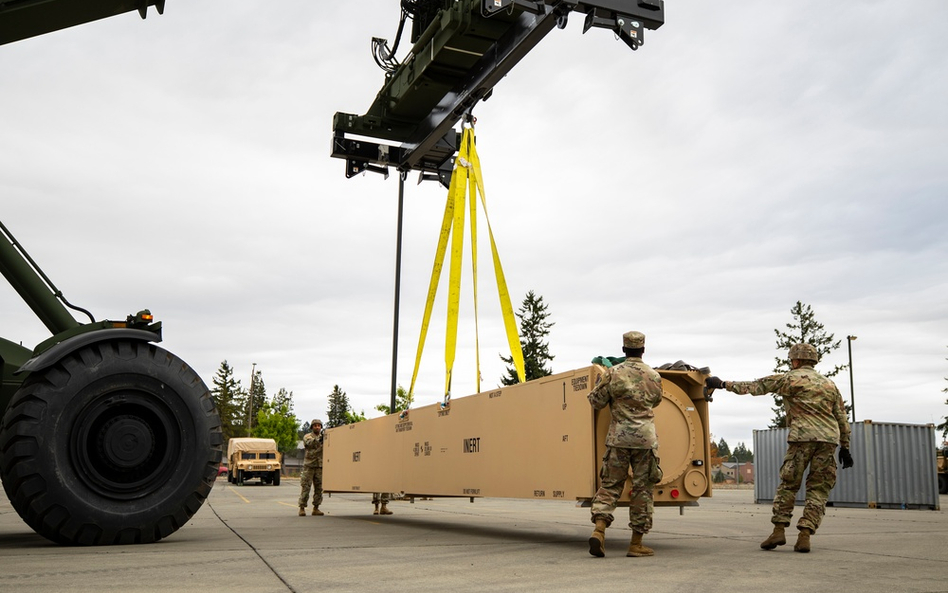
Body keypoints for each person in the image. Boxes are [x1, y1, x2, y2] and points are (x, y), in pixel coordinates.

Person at [705, 343, 853, 553]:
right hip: (828, 441)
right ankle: (805, 535)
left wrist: (722, 384)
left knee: (788, 485)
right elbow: (841, 418)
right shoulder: (830, 384)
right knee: (819, 489)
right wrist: (845, 447)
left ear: (797, 360)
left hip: (802, 438)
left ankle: (779, 531)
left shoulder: (789, 378)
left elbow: (755, 387)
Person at [587, 330, 664, 558]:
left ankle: (599, 530)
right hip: (645, 441)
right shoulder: (654, 376)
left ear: (623, 350)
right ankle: (636, 544)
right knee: (642, 490)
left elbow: (595, 401)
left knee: (610, 486)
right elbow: (657, 400)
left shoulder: (613, 373)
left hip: (618, 439)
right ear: (643, 349)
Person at [298, 419, 325, 516]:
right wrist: (319, 440)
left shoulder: (324, 438)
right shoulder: (307, 436)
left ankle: (316, 508)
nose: (317, 427)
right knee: (306, 487)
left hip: (319, 466)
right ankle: (302, 508)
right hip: (309, 466)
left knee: (319, 488)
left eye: (319, 425)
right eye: (315, 425)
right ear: (312, 427)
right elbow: (309, 443)